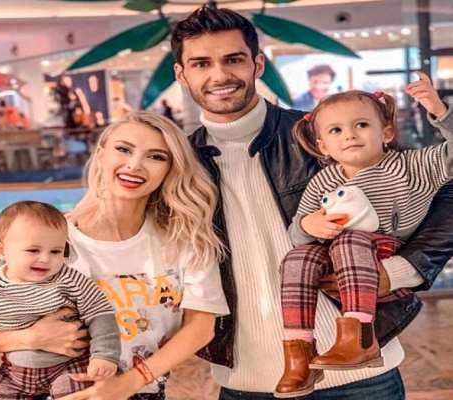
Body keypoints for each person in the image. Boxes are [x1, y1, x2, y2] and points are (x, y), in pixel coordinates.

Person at [171, 6, 453, 400]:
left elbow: (441, 192)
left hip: (361, 375)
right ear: (182, 74)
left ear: (257, 64)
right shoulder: (179, 163)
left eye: (233, 59)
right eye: (201, 63)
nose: (219, 75)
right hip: (244, 378)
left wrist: (400, 271)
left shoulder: (323, 134)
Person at [0, 111, 229, 400]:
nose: (134, 165)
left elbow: (200, 328)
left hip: (141, 391)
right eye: (123, 149)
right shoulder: (52, 242)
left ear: (170, 169)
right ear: (101, 154)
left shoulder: (186, 241)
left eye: (156, 157)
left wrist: (129, 383)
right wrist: (30, 337)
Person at [275, 74, 453, 398]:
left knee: (349, 239)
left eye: (361, 125)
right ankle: (299, 352)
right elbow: (297, 233)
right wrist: (308, 226)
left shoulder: (412, 166)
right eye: (336, 130)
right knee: (297, 256)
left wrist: (440, 111)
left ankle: (360, 337)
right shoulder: (323, 181)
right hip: (337, 262)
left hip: (384, 254)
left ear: (386, 132)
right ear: (323, 146)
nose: (350, 135)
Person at [0, 201, 120, 398]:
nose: (45, 259)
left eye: (56, 251)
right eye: (33, 250)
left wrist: (105, 355)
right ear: (0, 251)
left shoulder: (69, 279)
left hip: (69, 365)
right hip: (14, 371)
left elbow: (100, 314)